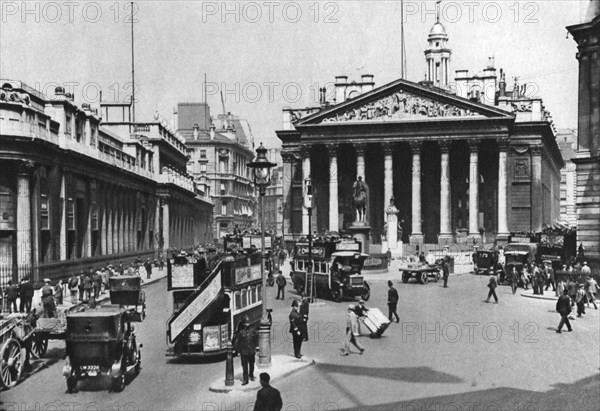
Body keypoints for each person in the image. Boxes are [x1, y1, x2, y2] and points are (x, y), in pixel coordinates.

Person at [234, 315, 258, 385]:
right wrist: (238, 351)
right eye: (246, 323)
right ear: (244, 323)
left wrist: (257, 347)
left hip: (251, 351)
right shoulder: (241, 332)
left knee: (252, 364)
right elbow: (238, 342)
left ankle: (251, 375)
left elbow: (255, 339)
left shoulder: (253, 330)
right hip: (244, 352)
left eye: (248, 323)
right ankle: (245, 379)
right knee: (244, 366)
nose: (247, 324)